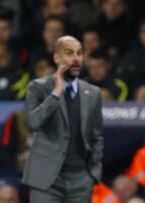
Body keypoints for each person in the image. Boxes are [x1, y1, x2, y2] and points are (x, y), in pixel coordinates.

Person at [22, 35, 104, 203]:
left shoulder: (93, 93)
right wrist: (56, 93)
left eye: (79, 53)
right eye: (69, 53)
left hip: (81, 180)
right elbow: (33, 122)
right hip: (46, 180)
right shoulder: (38, 87)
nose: (76, 58)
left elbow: (97, 137)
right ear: (56, 57)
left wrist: (93, 174)